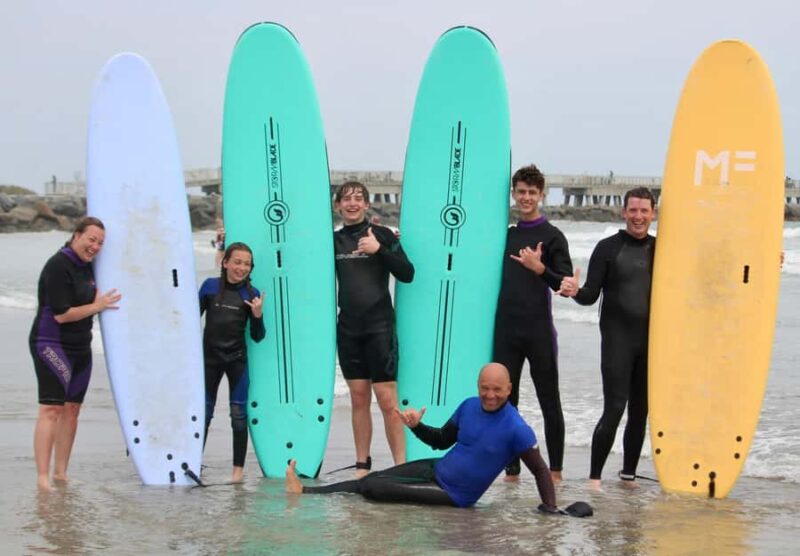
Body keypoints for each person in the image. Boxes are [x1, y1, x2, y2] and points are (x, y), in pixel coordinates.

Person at [285, 363, 565, 512]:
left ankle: (306, 492)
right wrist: (417, 426)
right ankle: (305, 491)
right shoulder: (469, 405)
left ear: (509, 388)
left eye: (497, 390)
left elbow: (540, 470)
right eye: (484, 388)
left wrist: (550, 508)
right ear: (478, 386)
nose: (490, 395)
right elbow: (441, 440)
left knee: (373, 487)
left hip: (454, 494)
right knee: (375, 477)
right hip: (436, 468)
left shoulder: (517, 429)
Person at [560, 187, 657, 489]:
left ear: (653, 213)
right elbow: (590, 295)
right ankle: (594, 478)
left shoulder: (662, 249)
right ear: (623, 212)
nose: (638, 216)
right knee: (614, 408)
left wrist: (767, 259)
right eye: (633, 210)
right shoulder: (607, 247)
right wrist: (575, 291)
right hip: (618, 340)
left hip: (652, 344)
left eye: (644, 211)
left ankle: (628, 475)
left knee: (640, 412)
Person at [492, 164, 573, 483]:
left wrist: (540, 268)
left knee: (549, 401)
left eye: (532, 192)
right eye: (521, 192)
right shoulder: (507, 235)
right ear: (513, 194)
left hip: (538, 331)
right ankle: (511, 471)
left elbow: (564, 285)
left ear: (542, 195)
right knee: (504, 401)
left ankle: (556, 472)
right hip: (506, 331)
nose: (526, 197)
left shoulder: (553, 236)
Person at [29, 216, 121, 489]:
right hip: (51, 342)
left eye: (100, 243)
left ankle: (61, 473)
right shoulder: (58, 265)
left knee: (72, 409)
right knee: (51, 408)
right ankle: (42, 478)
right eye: (91, 239)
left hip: (81, 345)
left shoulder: (88, 267)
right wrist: (98, 306)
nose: (95, 246)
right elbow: (62, 314)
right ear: (76, 235)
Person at [333, 181, 414, 476]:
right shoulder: (332, 242)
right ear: (337, 206)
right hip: (348, 329)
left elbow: (407, 273)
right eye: (346, 199)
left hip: (380, 327)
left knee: (387, 400)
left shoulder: (381, 235)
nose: (352, 203)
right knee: (358, 398)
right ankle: (362, 464)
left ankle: (400, 466)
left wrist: (380, 250)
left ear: (367, 204)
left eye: (358, 198)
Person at [198, 242, 265, 483]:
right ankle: (194, 462)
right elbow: (190, 320)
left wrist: (257, 316)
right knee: (204, 413)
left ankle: (237, 471)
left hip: (236, 360)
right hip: (209, 360)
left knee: (238, 415)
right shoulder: (209, 287)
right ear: (225, 262)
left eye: (247, 264)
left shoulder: (252, 294)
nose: (242, 268)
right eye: (237, 262)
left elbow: (258, 336)